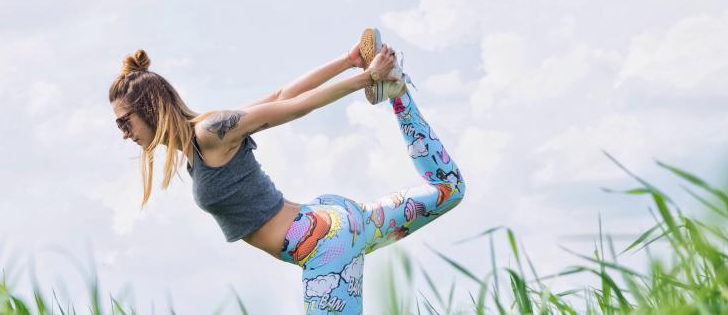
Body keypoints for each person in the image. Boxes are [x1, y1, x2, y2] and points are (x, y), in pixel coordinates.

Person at [108, 28, 466, 315]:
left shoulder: (210, 132)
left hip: (322, 245)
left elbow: (293, 109)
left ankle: (386, 81)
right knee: (449, 190)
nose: (124, 134)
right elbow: (282, 94)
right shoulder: (205, 137)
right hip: (337, 225)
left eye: (125, 122)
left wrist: (365, 79)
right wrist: (348, 61)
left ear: (150, 108)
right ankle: (398, 92)